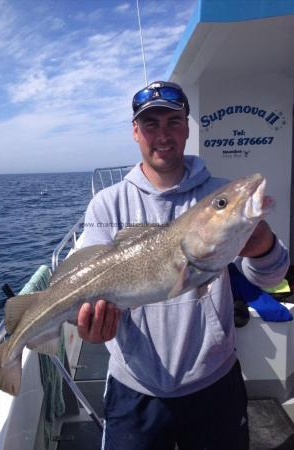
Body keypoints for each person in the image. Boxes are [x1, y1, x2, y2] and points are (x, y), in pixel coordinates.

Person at [76, 81, 289, 450]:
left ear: (188, 127)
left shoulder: (217, 191)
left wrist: (264, 246)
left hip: (214, 383)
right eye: (151, 124)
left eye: (174, 122)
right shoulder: (107, 204)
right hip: (135, 388)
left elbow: (270, 278)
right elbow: (89, 281)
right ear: (135, 131)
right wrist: (90, 328)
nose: (163, 135)